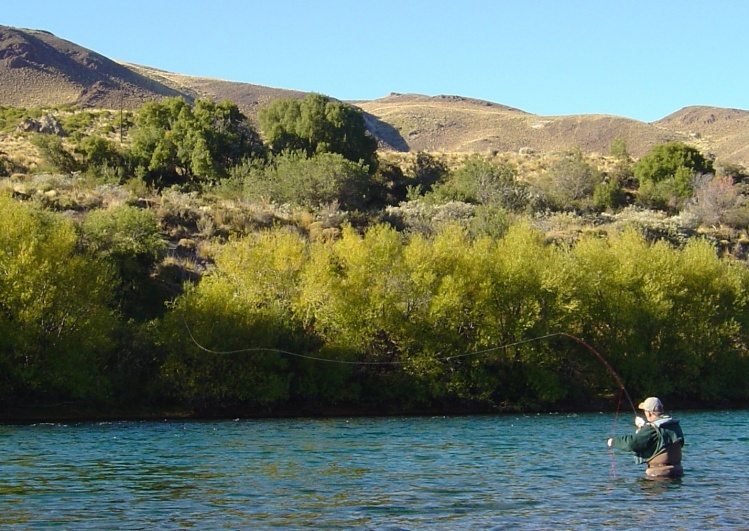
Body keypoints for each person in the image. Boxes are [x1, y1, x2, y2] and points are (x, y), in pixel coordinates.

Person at [607, 397, 685, 479]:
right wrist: (642, 428)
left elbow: (632, 444)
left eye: (644, 411)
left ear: (649, 413)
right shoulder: (674, 425)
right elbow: (659, 440)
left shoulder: (651, 429)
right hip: (677, 472)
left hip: (659, 475)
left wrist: (612, 442)